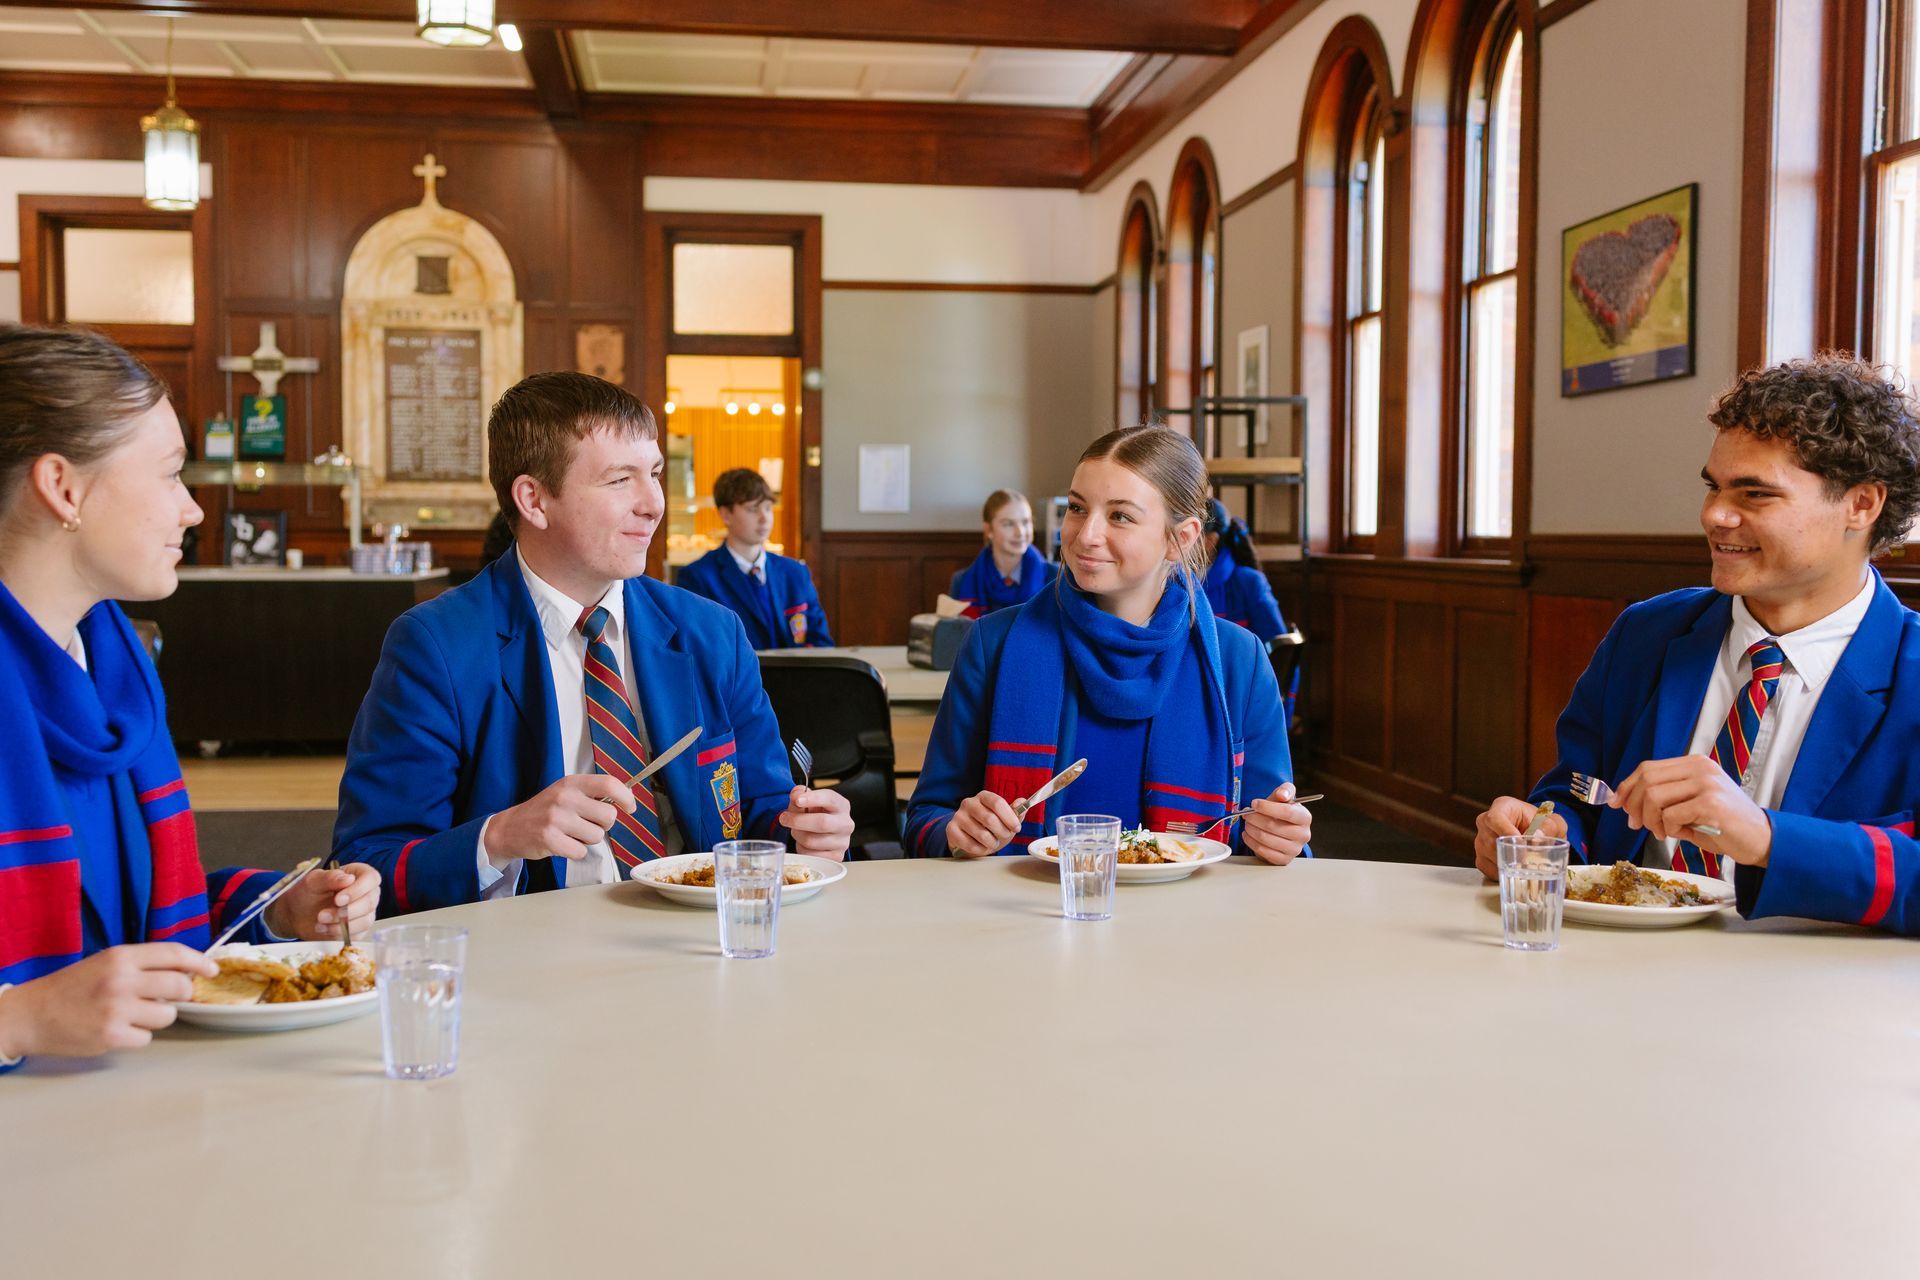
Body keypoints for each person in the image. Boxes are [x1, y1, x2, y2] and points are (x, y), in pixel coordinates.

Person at [0, 324, 379, 1069]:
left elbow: (123, 924)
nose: (194, 509)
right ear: (63, 488)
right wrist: (19, 1018)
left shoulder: (116, 669)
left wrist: (277, 910)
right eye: (171, 475)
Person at [334, 373, 852, 914]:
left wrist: (805, 834)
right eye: (620, 480)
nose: (654, 504)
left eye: (654, 474)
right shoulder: (437, 646)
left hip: (700, 935)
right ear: (534, 500)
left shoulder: (712, 632)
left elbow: (763, 811)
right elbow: (368, 864)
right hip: (528, 946)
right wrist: (501, 836)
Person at [1474, 354, 1920, 934]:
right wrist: (1545, 831)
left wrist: (1765, 838)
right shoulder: (1646, 633)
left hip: (1819, 981)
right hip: (1618, 966)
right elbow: (1580, 791)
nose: (1715, 515)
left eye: (1754, 494)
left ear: (1862, 505)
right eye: (1714, 487)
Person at [905, 426, 1310, 863]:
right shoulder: (992, 643)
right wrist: (956, 831)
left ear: (1181, 539)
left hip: (1189, 907)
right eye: (1077, 508)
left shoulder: (1240, 661)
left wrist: (1281, 839)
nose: (1086, 534)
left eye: (1120, 516)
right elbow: (925, 820)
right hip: (1023, 905)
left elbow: (1270, 837)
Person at [675, 467, 832, 649]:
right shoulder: (699, 577)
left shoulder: (795, 572)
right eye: (753, 509)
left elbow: (821, 642)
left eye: (768, 508)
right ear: (726, 515)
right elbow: (698, 646)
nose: (764, 519)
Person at [948, 489, 1052, 618]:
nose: (1020, 532)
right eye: (1008, 524)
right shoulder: (961, 581)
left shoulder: (1055, 578)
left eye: (1025, 522)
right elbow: (956, 629)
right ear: (989, 530)